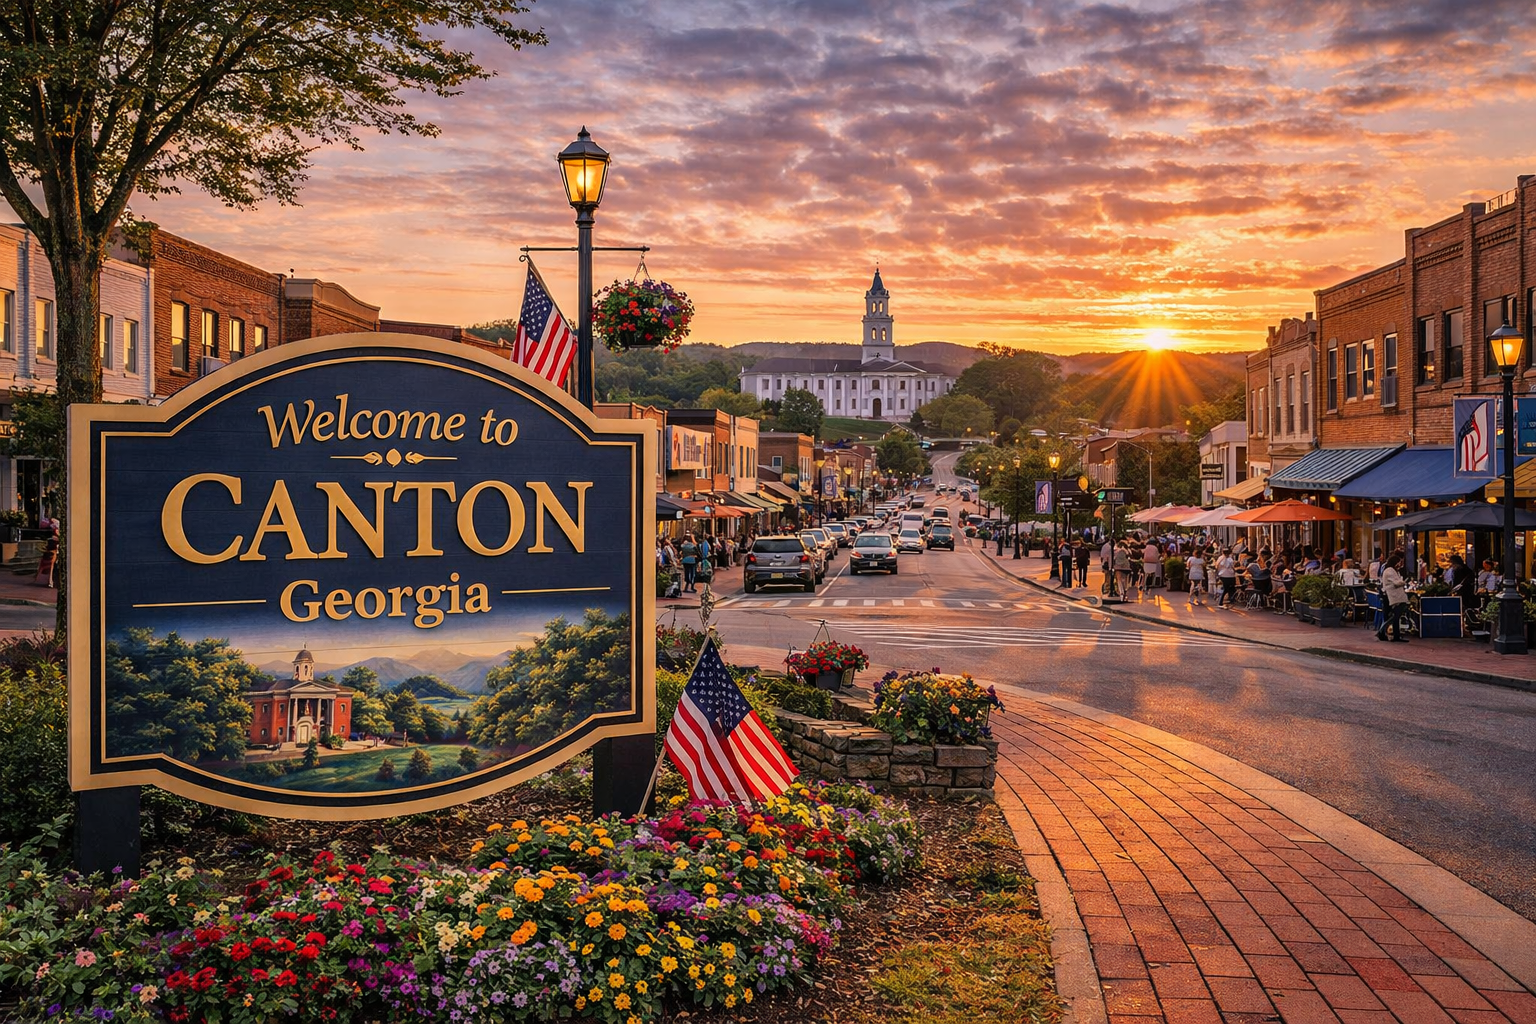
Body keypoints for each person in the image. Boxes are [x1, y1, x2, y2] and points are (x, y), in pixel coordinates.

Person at [1377, 552, 1410, 642]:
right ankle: (1385, 633)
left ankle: (1385, 633)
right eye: (1398, 562)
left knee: (1390, 615)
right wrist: (1404, 582)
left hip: (1390, 595)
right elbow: (1396, 582)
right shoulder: (1390, 571)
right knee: (1394, 615)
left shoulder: (1390, 570)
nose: (1400, 564)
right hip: (1392, 596)